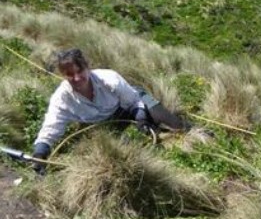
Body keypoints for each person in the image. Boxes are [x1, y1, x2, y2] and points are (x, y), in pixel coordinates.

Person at [31, 48, 185, 173]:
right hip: (103, 124)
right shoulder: (61, 98)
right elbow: (51, 126)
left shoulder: (110, 79)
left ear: (88, 67)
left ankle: (193, 133)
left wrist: (141, 118)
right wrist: (40, 153)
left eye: (80, 71)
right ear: (63, 75)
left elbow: (134, 101)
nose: (76, 78)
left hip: (129, 105)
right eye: (70, 74)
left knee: (171, 122)